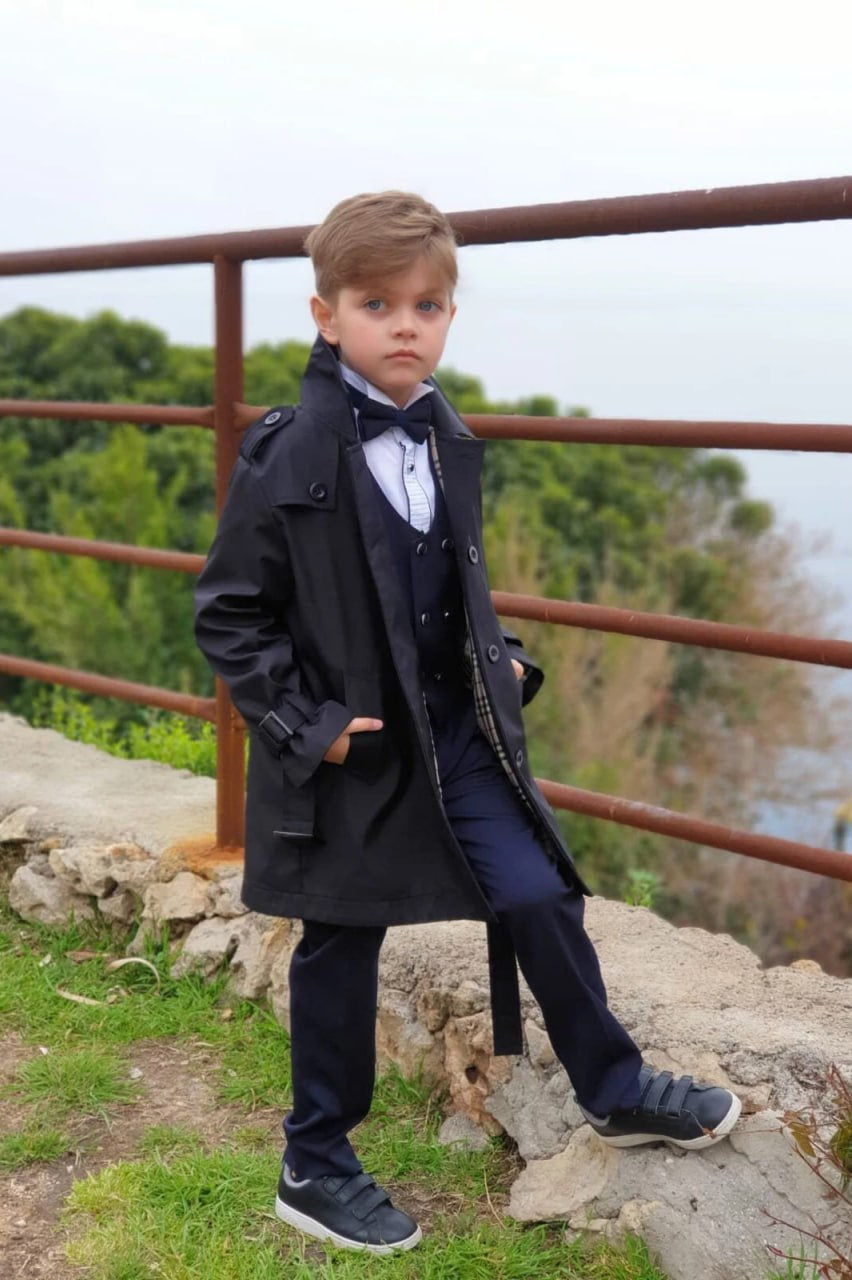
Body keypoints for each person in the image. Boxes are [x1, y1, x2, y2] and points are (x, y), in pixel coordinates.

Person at [193, 190, 741, 1255]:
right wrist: (311, 725)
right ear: (325, 315)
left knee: (540, 891)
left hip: (454, 735)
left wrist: (499, 655)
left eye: (427, 306)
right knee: (341, 940)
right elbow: (230, 611)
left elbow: (445, 587)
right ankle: (315, 1161)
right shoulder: (286, 452)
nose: (405, 325)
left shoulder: (447, 433)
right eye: (377, 304)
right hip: (352, 747)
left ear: (449, 314)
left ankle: (614, 1087)